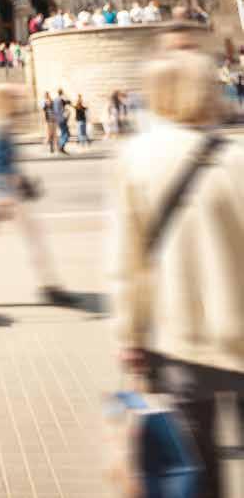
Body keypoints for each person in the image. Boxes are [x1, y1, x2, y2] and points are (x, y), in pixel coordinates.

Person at [114, 50, 244, 498]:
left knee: (197, 467)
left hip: (181, 340)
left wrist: (130, 336)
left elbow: (128, 265)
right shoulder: (238, 155)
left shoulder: (137, 158)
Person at [0, 86, 72, 307]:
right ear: (5, 102)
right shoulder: (0, 125)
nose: (18, 104)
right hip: (3, 196)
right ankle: (49, 286)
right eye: (13, 99)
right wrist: (1, 194)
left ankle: (49, 284)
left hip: (4, 194)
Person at [52, 89, 71, 154]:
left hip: (58, 119)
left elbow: (54, 110)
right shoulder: (61, 99)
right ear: (62, 93)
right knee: (66, 133)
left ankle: (61, 147)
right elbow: (69, 102)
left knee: (63, 133)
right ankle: (60, 146)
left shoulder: (55, 100)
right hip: (62, 119)